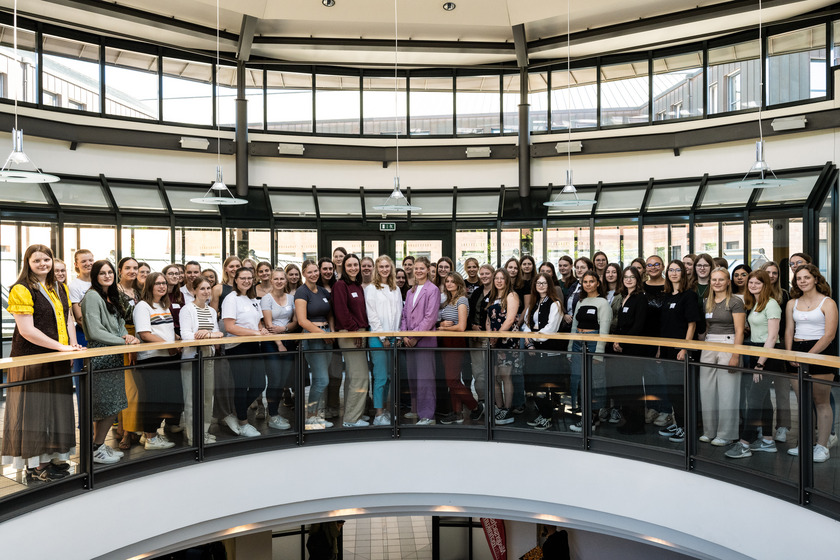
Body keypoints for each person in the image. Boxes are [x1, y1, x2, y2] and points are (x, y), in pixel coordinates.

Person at [1, 245, 82, 481]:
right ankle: (37, 465)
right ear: (28, 263)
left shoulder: (59, 287)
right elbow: (27, 331)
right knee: (34, 412)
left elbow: (68, 319)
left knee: (57, 409)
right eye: (37, 260)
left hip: (57, 357)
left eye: (46, 259)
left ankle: (55, 456)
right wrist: (61, 347)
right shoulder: (21, 289)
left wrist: (72, 347)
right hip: (32, 359)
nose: (43, 264)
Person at [81, 260, 140, 464]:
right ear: (95, 276)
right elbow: (96, 331)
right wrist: (123, 342)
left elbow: (120, 323)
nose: (107, 276)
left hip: (114, 354)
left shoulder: (110, 296)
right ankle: (96, 448)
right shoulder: (91, 297)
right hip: (101, 356)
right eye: (102, 273)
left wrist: (127, 337)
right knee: (105, 406)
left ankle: (98, 445)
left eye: (110, 272)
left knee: (112, 405)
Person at [725, 270, 782, 458]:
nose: (753, 285)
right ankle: (767, 440)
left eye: (758, 283)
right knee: (763, 400)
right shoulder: (757, 303)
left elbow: (772, 336)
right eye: (751, 282)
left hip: (767, 356)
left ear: (766, 285)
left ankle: (744, 443)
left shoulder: (771, 304)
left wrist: (760, 364)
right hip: (758, 352)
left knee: (755, 401)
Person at [785, 264, 838, 462]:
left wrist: (809, 356)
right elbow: (789, 331)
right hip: (797, 352)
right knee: (803, 403)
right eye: (799, 278)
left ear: (816, 279)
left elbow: (829, 335)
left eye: (806, 277)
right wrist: (790, 354)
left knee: (821, 402)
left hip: (821, 353)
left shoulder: (828, 302)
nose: (803, 281)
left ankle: (822, 446)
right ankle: (805, 444)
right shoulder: (792, 303)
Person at [697, 267, 745, 447]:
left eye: (721, 279)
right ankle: (709, 431)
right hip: (709, 344)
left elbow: (740, 330)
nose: (717, 283)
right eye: (714, 279)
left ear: (728, 282)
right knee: (707, 389)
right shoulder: (707, 301)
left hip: (728, 343)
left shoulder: (735, 302)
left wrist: (736, 354)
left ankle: (726, 433)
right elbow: (707, 327)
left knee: (727, 391)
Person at [132, 272, 180, 451]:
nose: (162, 286)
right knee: (154, 400)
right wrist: (169, 345)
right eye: (158, 283)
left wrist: (178, 339)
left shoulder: (163, 305)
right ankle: (151, 437)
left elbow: (165, 330)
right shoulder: (143, 306)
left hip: (168, 357)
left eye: (164, 283)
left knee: (166, 399)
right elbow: (145, 334)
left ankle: (149, 435)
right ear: (149, 286)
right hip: (152, 358)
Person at [655, 260, 700, 443]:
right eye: (671, 270)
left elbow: (692, 324)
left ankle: (685, 427)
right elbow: (664, 326)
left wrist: (685, 347)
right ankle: (677, 422)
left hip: (680, 350)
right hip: (665, 350)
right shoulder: (666, 296)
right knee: (671, 391)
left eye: (678, 270)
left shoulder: (689, 295)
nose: (674, 273)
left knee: (681, 391)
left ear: (683, 273)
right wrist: (659, 348)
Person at [221, 267, 269, 437]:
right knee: (241, 387)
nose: (247, 281)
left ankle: (235, 413)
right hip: (238, 347)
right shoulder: (231, 299)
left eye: (250, 278)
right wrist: (256, 333)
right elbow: (230, 327)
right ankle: (243, 422)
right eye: (243, 278)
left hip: (254, 346)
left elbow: (257, 322)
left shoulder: (252, 299)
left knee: (259, 385)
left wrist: (261, 330)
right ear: (235, 279)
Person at [180, 276, 224, 445]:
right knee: (191, 399)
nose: (206, 292)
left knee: (207, 398)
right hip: (192, 357)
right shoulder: (187, 309)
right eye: (202, 289)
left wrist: (207, 334)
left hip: (208, 356)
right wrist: (209, 334)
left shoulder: (212, 311)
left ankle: (204, 432)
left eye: (208, 288)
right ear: (195, 291)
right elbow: (186, 336)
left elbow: (218, 334)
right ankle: (193, 435)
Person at [568, 270, 611, 432]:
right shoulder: (581, 301)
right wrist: (570, 347)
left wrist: (599, 353)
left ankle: (593, 418)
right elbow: (574, 326)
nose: (588, 284)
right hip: (579, 343)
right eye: (585, 282)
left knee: (595, 381)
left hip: (594, 344)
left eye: (591, 281)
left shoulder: (603, 303)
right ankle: (585, 415)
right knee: (580, 380)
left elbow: (604, 329)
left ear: (598, 283)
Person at [295, 260, 336, 429]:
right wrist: (323, 335)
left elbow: (330, 314)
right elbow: (302, 321)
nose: (314, 274)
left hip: (327, 337)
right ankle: (310, 417)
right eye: (310, 272)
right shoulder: (301, 292)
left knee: (321, 379)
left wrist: (331, 332)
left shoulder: (323, 291)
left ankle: (316, 415)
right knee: (321, 380)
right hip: (313, 339)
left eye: (315, 271)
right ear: (304, 273)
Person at [332, 254, 371, 428]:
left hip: (360, 333)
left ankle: (354, 414)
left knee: (354, 377)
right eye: (350, 265)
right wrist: (355, 331)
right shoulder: (341, 285)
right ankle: (351, 419)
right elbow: (341, 312)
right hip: (350, 335)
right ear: (344, 267)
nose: (354, 268)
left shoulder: (358, 286)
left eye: (356, 264)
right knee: (360, 377)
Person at [400, 256, 439, 425]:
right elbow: (404, 316)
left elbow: (430, 318)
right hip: (409, 340)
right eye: (416, 268)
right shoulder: (410, 291)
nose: (418, 271)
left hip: (424, 340)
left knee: (425, 379)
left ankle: (427, 415)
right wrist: (404, 334)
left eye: (422, 268)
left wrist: (414, 336)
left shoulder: (433, 290)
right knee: (413, 377)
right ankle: (416, 409)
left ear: (428, 270)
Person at [522, 272, 564, 430]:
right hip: (534, 351)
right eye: (538, 283)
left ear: (549, 285)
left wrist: (533, 338)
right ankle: (543, 413)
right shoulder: (534, 302)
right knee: (535, 385)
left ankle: (548, 416)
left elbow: (550, 329)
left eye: (544, 283)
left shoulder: (555, 303)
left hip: (549, 351)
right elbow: (526, 324)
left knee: (546, 386)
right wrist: (530, 341)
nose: (540, 286)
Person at [439, 272, 481, 425]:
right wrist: (442, 325)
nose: (449, 284)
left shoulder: (462, 300)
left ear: (458, 284)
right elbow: (445, 321)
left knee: (452, 381)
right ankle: (457, 413)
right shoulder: (449, 301)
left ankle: (475, 406)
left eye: (452, 281)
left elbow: (462, 327)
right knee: (453, 379)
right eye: (447, 281)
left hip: (455, 341)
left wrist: (443, 329)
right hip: (446, 341)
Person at [365, 255, 403, 426]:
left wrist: (398, 336)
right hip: (378, 338)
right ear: (376, 269)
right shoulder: (371, 288)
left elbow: (400, 314)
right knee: (380, 377)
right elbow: (372, 316)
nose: (384, 269)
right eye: (381, 266)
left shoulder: (396, 288)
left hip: (394, 338)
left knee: (389, 376)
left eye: (387, 266)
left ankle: (385, 410)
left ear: (391, 268)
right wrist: (383, 337)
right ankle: (378, 413)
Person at [611, 266, 649, 434]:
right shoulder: (624, 296)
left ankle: (637, 424)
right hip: (622, 348)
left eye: (632, 277)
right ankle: (628, 420)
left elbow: (639, 326)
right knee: (624, 386)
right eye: (626, 277)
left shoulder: (640, 298)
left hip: (634, 349)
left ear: (637, 279)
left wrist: (623, 341)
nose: (628, 280)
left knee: (634, 388)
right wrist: (616, 340)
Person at [261, 268, 297, 431]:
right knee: (275, 379)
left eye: (282, 278)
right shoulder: (266, 299)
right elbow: (268, 325)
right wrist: (279, 343)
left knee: (283, 380)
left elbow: (295, 322)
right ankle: (273, 414)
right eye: (276, 279)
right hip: (271, 343)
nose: (279, 281)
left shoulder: (291, 298)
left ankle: (275, 412)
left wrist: (285, 330)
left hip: (288, 340)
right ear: (272, 280)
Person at [760, 260, 792, 443]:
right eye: (768, 272)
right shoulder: (754, 291)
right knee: (760, 391)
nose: (771, 276)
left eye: (775, 273)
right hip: (758, 345)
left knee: (782, 389)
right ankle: (761, 425)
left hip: (778, 346)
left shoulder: (784, 295)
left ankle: (782, 427)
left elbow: (787, 325)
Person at [115, 256, 143, 450]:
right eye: (128, 268)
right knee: (127, 389)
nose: (132, 271)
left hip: (141, 338)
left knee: (137, 388)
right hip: (123, 338)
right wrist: (128, 342)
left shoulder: (141, 291)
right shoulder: (113, 291)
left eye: (135, 268)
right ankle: (126, 431)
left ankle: (131, 428)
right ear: (120, 270)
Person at [486, 267, 520, 425]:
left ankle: (507, 409)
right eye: (496, 278)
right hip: (493, 340)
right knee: (494, 376)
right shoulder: (492, 297)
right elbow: (488, 320)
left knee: (505, 376)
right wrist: (489, 336)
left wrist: (497, 335)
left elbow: (510, 319)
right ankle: (498, 407)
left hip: (506, 340)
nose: (499, 281)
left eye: (502, 278)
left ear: (507, 280)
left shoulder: (511, 295)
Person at [467, 264, 494, 415]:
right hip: (475, 336)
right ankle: (482, 401)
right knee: (478, 371)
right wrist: (473, 325)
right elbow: (470, 312)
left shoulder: (498, 292)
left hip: (491, 337)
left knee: (492, 372)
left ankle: (495, 403)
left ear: (492, 274)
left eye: (487, 273)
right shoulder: (477, 291)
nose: (484, 276)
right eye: (481, 274)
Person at [69, 249, 94, 374]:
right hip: (84, 333)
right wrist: (97, 333)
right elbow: (79, 318)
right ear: (76, 264)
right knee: (84, 374)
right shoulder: (74, 286)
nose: (88, 263)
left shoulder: (98, 281)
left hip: (101, 333)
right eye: (83, 261)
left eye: (90, 260)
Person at [561, 257, 593, 335]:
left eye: (582, 267)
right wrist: (565, 314)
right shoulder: (573, 286)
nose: (579, 270)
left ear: (590, 270)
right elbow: (565, 303)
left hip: (583, 327)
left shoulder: (592, 287)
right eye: (577, 267)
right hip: (568, 325)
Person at [162, 263, 185, 338]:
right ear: (164, 276)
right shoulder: (159, 294)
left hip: (180, 331)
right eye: (171, 274)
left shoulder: (180, 295)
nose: (174, 276)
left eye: (177, 274)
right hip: (164, 331)